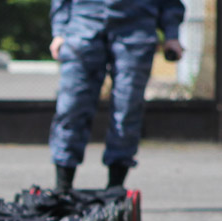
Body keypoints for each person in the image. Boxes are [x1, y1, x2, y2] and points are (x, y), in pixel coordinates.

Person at [48, 0, 185, 191]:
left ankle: (115, 188)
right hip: (84, 23)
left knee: (127, 108)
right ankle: (62, 187)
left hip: (135, 25)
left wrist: (172, 34)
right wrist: (59, 30)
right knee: (71, 105)